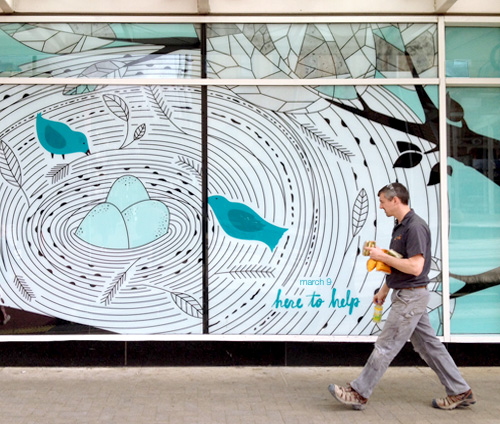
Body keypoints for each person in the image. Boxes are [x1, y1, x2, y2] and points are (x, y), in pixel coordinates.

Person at [329, 182, 475, 411]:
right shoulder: (401, 226)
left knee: (385, 346)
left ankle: (359, 393)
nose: (380, 206)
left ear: (395, 200)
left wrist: (382, 257)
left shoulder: (414, 227)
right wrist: (385, 290)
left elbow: (416, 267)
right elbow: (400, 265)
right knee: (429, 347)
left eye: (382, 201)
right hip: (409, 295)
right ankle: (460, 391)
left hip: (410, 298)